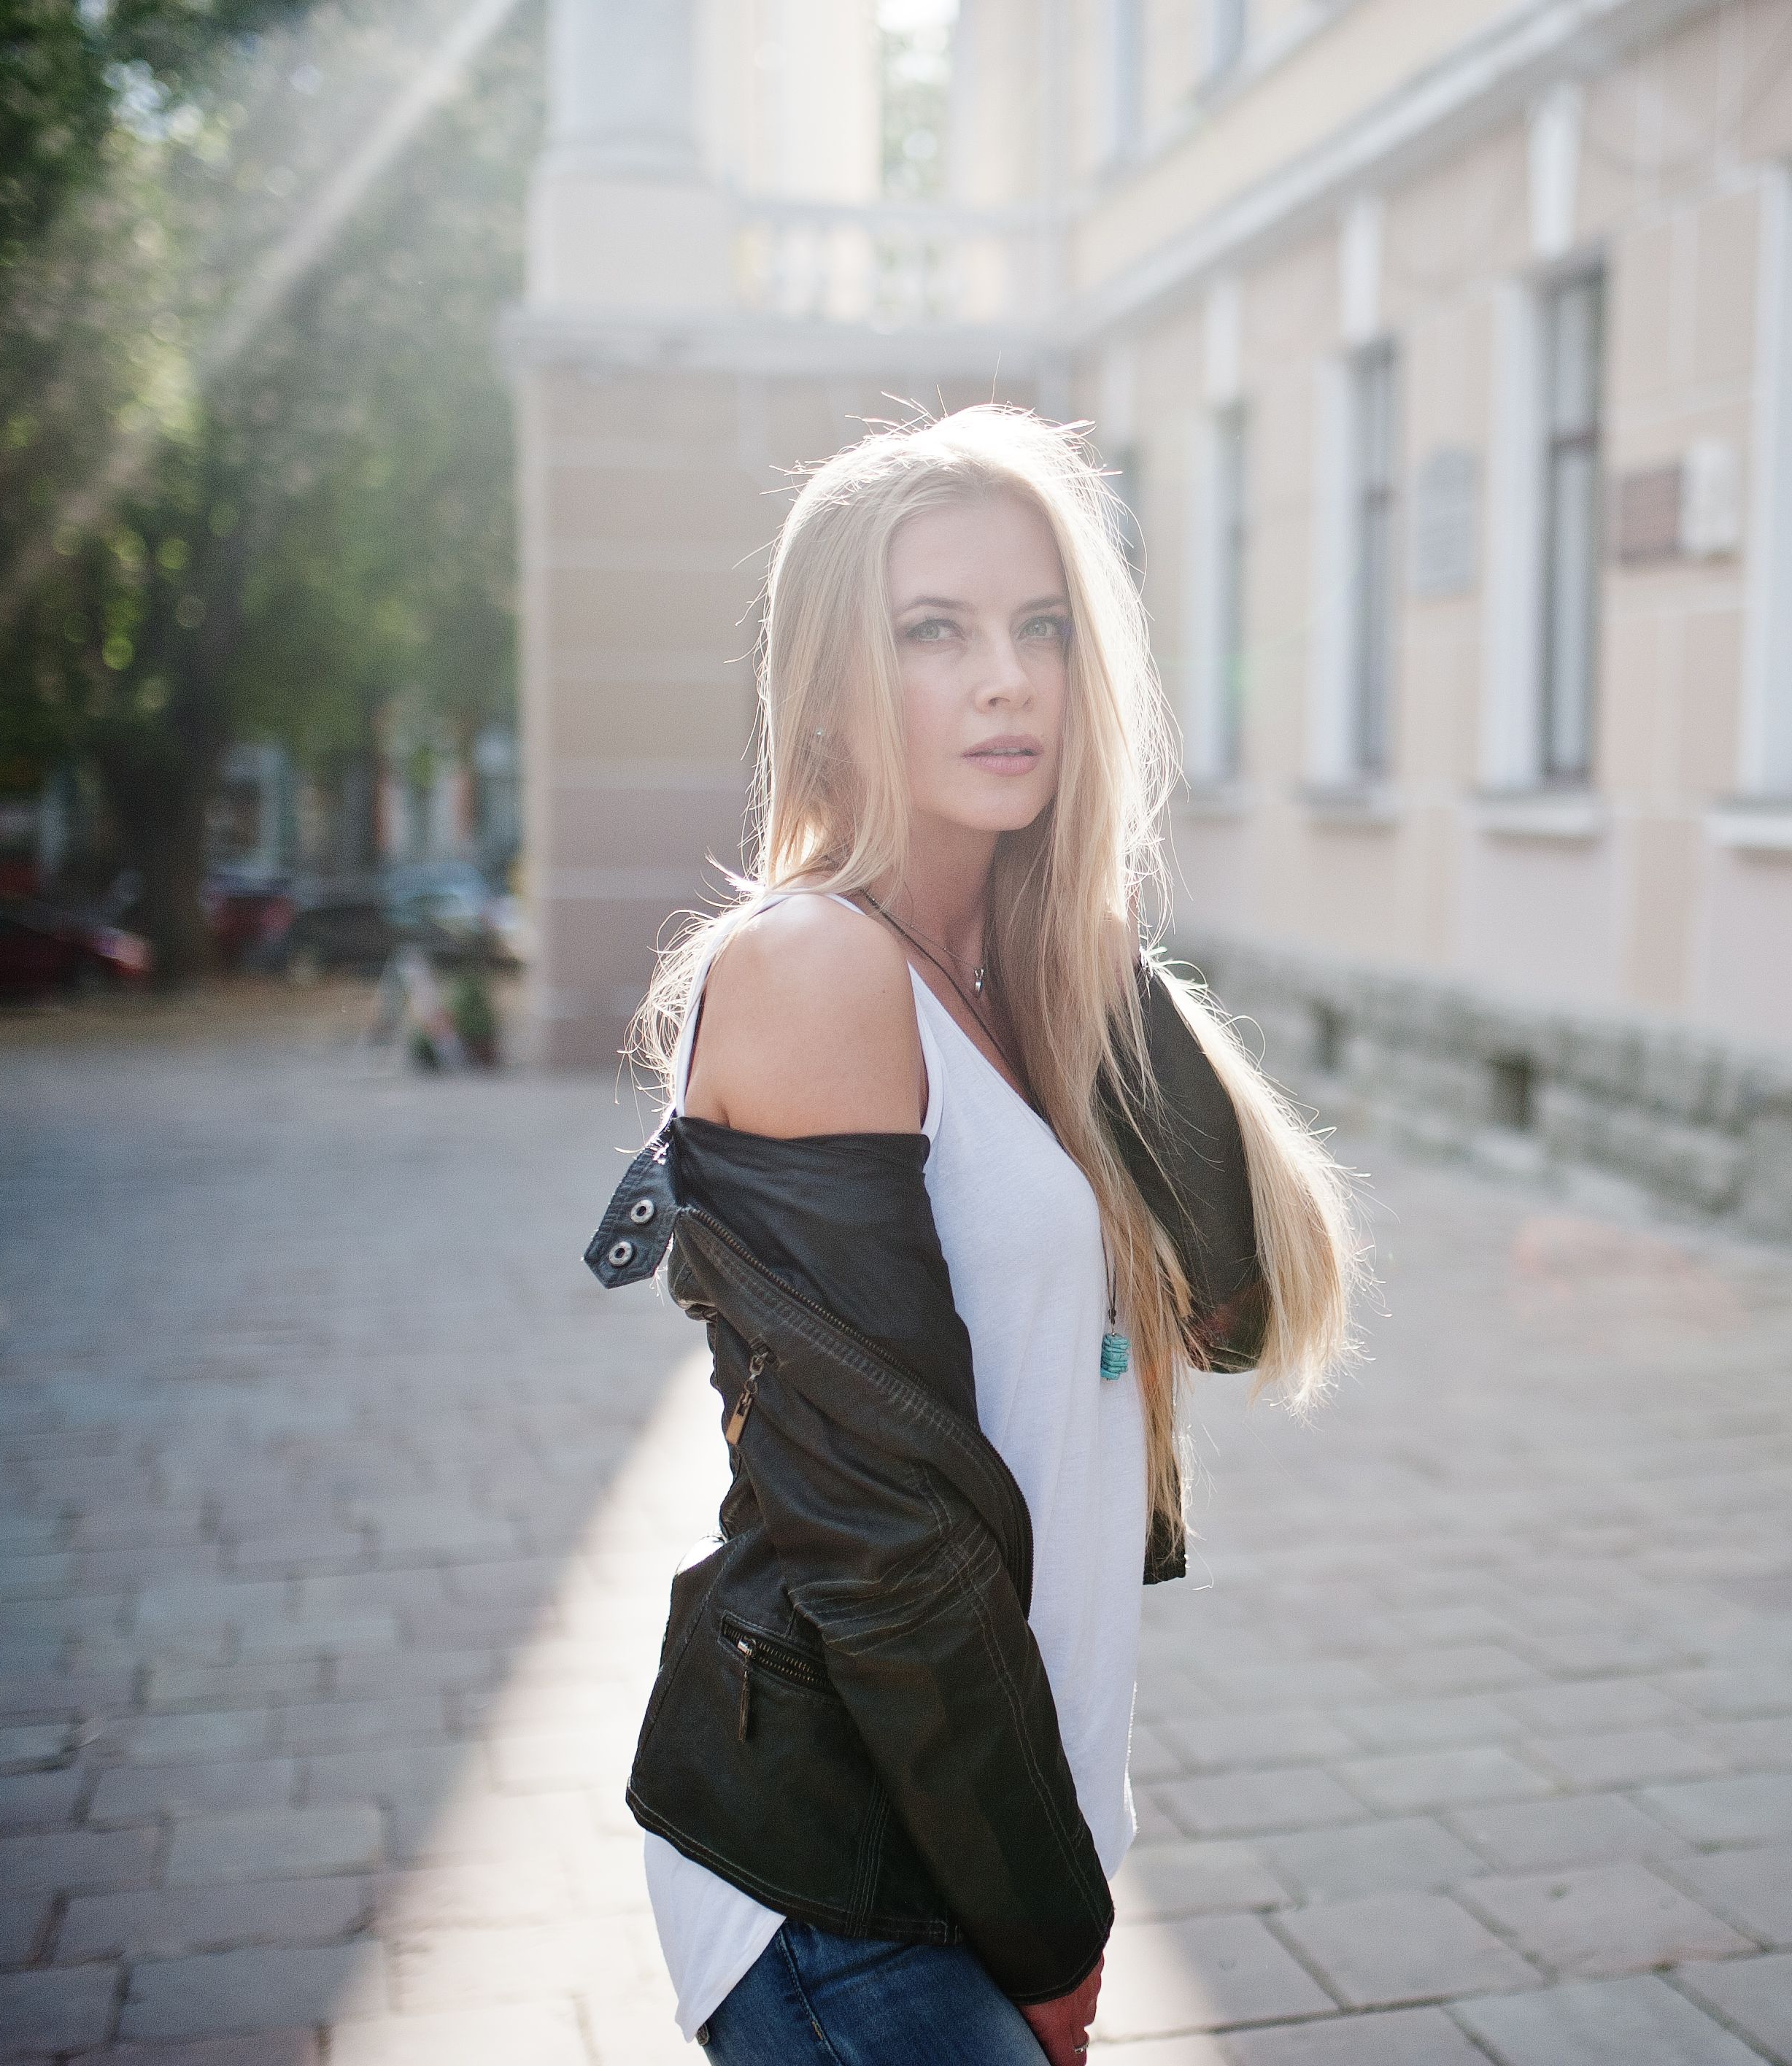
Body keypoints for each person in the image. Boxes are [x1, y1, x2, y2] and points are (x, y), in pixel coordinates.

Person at [579, 406, 1356, 2066]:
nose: (1006, 680)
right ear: (834, 683)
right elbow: (880, 1539)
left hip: (1006, 1813)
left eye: (1044, 627)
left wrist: (1078, 933)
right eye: (933, 632)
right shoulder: (813, 970)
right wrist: (1042, 1927)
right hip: (840, 1869)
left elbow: (1236, 1314)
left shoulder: (1021, 971)